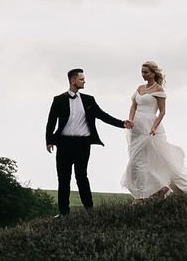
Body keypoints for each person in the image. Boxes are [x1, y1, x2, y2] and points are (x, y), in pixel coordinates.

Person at [45, 68, 128, 215]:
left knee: (81, 176)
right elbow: (51, 122)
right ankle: (63, 212)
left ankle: (89, 209)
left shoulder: (89, 100)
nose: (84, 81)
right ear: (73, 81)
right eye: (81, 79)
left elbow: (103, 115)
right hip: (64, 144)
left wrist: (122, 124)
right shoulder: (59, 100)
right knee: (63, 178)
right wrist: (49, 141)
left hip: (82, 144)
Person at [123, 61, 187, 200]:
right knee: (136, 160)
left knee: (153, 160)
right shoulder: (140, 88)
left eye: (146, 72)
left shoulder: (158, 89)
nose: (143, 75)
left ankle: (144, 195)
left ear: (153, 73)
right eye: (142, 72)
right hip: (137, 127)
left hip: (150, 126)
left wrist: (154, 127)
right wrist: (131, 120)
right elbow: (133, 106)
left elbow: (162, 111)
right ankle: (145, 192)